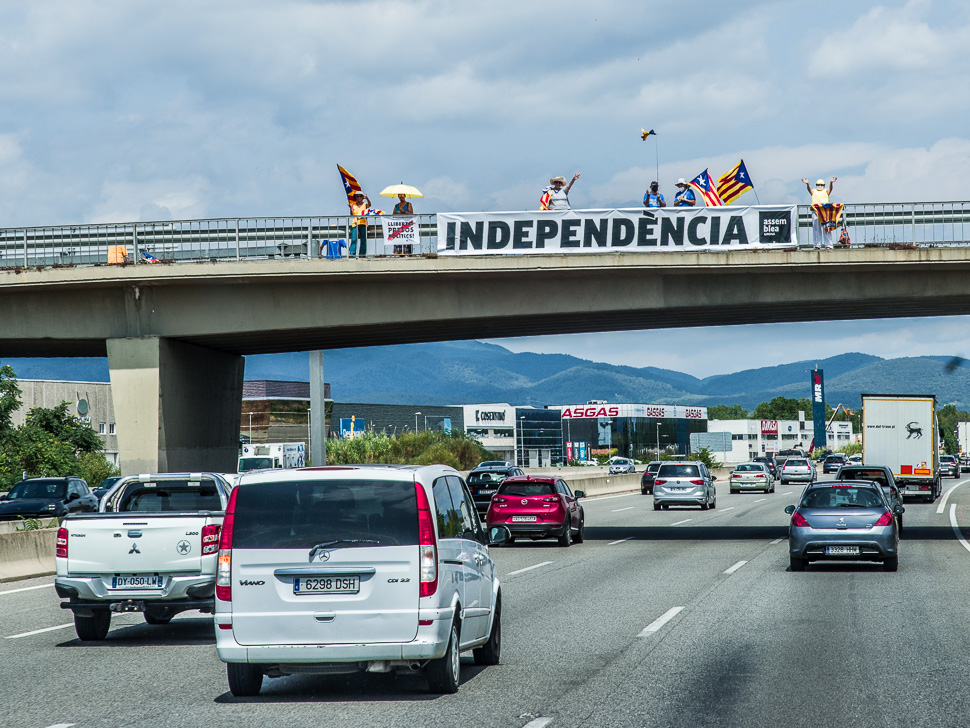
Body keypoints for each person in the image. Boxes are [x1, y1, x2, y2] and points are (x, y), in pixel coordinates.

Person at [802, 176, 837, 249]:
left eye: (821, 185)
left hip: (825, 211)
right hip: (815, 211)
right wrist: (807, 184)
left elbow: (830, 189)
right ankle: (817, 245)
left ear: (824, 186)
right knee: (816, 229)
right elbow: (809, 190)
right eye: (818, 185)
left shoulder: (826, 191)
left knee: (827, 228)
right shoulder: (814, 191)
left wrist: (831, 182)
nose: (820, 186)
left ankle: (828, 245)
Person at [348, 190, 370, 257]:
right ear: (356, 198)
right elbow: (352, 214)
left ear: (362, 197)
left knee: (363, 240)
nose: (359, 197)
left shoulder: (365, 204)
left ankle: (362, 254)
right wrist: (350, 208)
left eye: (360, 196)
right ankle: (352, 253)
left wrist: (367, 198)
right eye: (357, 196)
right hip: (355, 223)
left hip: (363, 223)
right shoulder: (353, 205)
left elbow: (370, 205)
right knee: (354, 239)